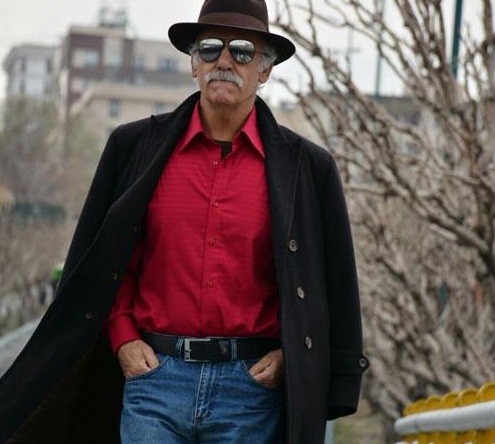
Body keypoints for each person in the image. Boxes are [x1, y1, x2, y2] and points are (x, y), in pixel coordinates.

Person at [0, 1, 369, 443]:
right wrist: (123, 337)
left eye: (242, 51)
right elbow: (99, 262)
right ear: (194, 64)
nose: (225, 61)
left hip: (252, 390)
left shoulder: (309, 168)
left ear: (265, 70)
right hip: (153, 379)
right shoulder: (132, 148)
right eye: (210, 48)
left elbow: (334, 284)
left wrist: (294, 356)